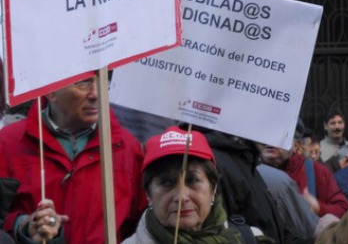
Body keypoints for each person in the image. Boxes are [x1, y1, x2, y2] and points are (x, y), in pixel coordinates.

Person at [0, 77, 147, 243]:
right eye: (83, 82)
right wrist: (22, 226)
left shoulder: (127, 148)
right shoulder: (8, 142)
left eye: (103, 82)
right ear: (51, 91)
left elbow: (138, 225)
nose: (96, 94)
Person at [122, 126, 246, 244]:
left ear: (213, 189)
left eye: (192, 180)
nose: (181, 197)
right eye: (166, 183)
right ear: (148, 194)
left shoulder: (250, 239)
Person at [256, 119, 348, 219]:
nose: (270, 141)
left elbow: (344, 210)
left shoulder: (316, 171)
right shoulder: (250, 171)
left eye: (280, 135)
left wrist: (318, 208)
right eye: (265, 135)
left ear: (296, 145)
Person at [315, 167, 348, 243]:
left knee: (327, 220)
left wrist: (319, 207)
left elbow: (342, 207)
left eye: (316, 153)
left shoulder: (321, 172)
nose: (313, 156)